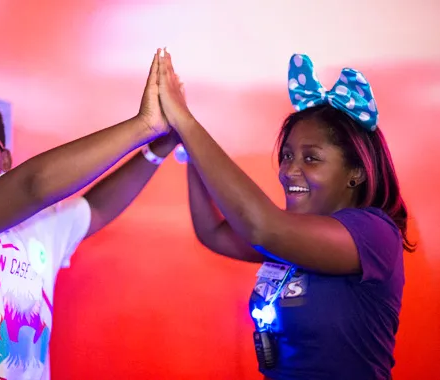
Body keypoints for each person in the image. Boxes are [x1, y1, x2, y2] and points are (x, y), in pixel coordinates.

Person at [0, 49, 179, 380]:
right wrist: (144, 126)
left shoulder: (39, 223)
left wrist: (158, 149)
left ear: (7, 159)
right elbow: (35, 185)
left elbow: (95, 208)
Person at [157, 50, 414, 379]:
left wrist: (187, 123)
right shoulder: (295, 233)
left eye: (311, 159)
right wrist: (189, 148)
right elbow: (214, 233)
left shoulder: (374, 235)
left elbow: (262, 228)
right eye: (287, 155)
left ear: (356, 172)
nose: (289, 171)